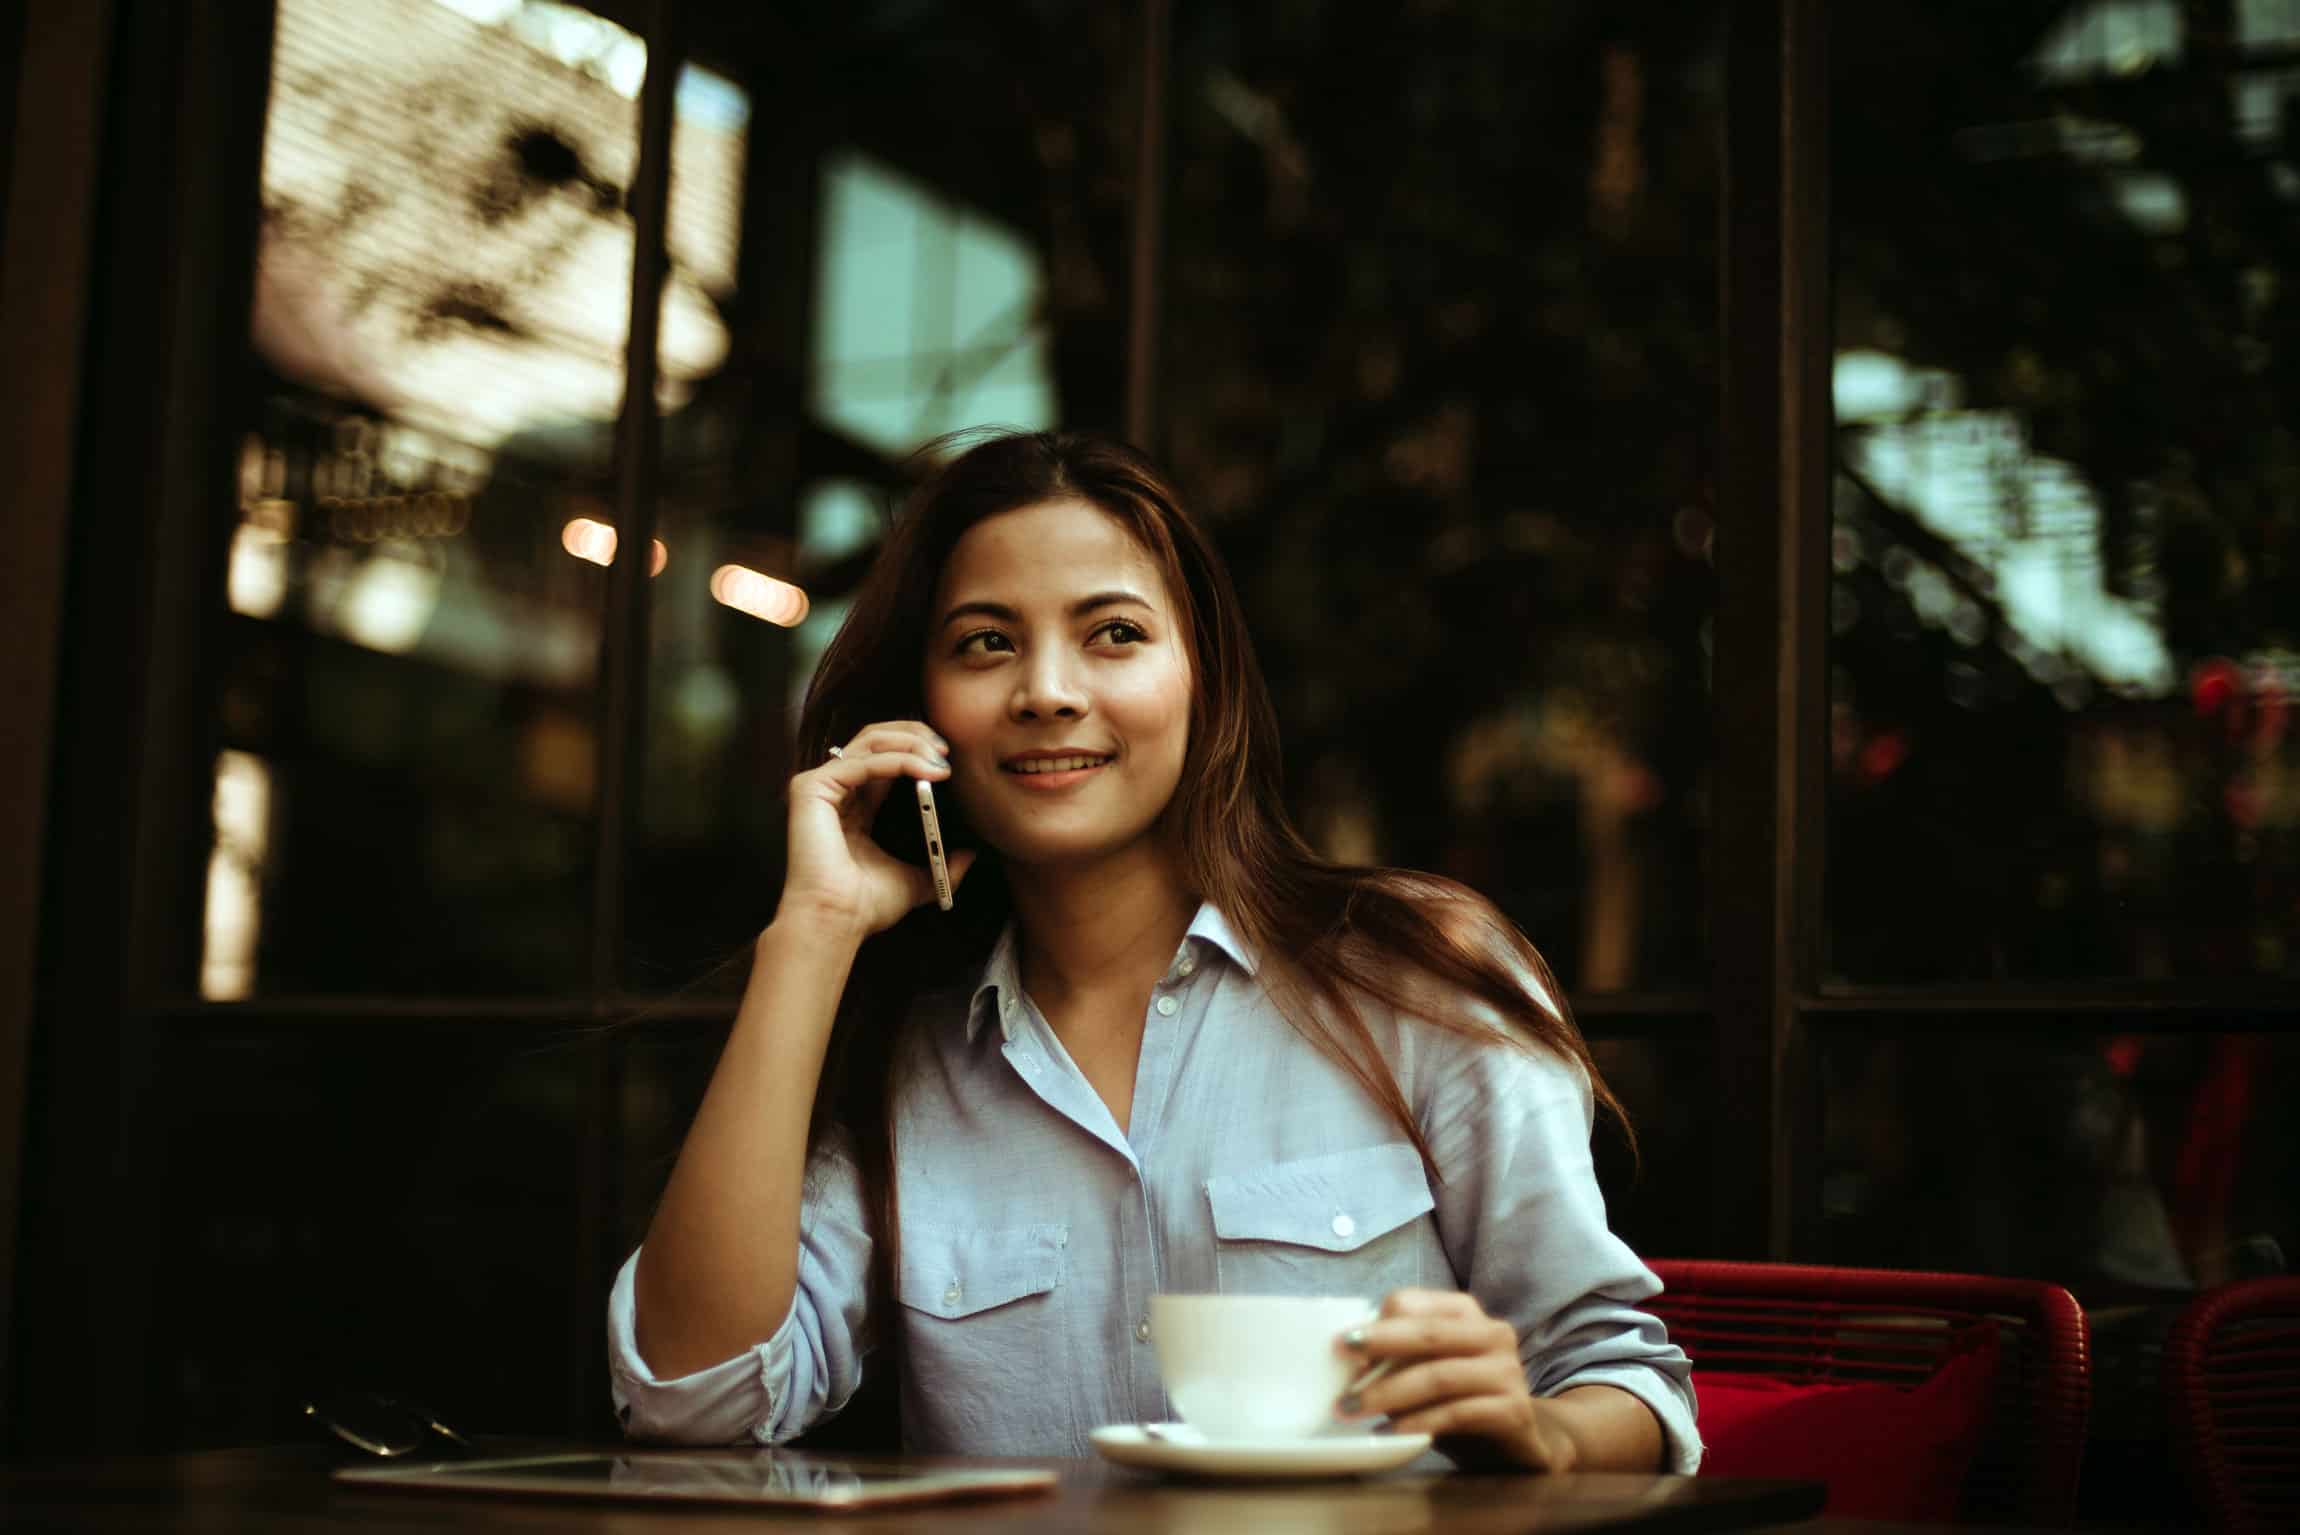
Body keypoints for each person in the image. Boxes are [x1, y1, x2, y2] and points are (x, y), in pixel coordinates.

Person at [608, 430, 1700, 1473]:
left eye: (1113, 633)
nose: (1044, 689)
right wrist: (811, 932)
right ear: (926, 710)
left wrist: (1538, 1433)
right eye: (986, 641)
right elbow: (689, 1398)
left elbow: (1621, 1378)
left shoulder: (1411, 975)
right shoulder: (909, 1059)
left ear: (1201, 680)